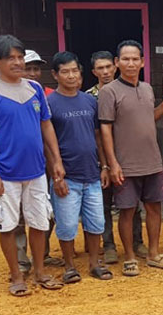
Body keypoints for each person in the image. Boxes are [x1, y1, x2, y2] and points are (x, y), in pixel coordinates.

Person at [0, 34, 65, 296]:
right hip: (5, 173)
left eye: (19, 57)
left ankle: (39, 271)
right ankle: (16, 275)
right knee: (9, 225)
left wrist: (56, 161)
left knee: (39, 222)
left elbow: (46, 126)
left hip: (36, 170)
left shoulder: (35, 89)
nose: (17, 62)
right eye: (10, 58)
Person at [100, 40, 163, 276]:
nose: (130, 63)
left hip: (152, 161)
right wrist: (112, 163)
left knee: (154, 208)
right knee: (127, 211)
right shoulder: (108, 92)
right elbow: (105, 130)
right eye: (125, 59)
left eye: (135, 59)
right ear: (116, 63)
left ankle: (153, 254)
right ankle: (130, 257)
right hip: (126, 165)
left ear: (143, 62)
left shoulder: (146, 89)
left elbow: (147, 118)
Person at [47, 51, 113, 283]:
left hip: (92, 174)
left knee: (96, 222)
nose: (71, 76)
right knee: (66, 225)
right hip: (67, 176)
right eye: (65, 71)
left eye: (75, 70)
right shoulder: (50, 103)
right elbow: (47, 141)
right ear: (55, 75)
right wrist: (56, 175)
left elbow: (98, 137)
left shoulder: (89, 101)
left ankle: (95, 263)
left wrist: (104, 166)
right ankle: (69, 266)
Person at [85, 50, 146, 264]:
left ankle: (138, 242)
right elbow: (97, 133)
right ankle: (108, 245)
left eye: (108, 67)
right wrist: (105, 164)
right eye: (99, 69)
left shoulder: (133, 90)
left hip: (128, 158)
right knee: (104, 203)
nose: (105, 72)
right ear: (94, 72)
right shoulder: (88, 97)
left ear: (115, 66)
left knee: (132, 203)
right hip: (99, 159)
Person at [14, 48, 64, 270]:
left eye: (36, 69)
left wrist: (56, 160)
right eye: (28, 69)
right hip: (18, 163)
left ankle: (41, 253)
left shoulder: (50, 95)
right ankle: (21, 259)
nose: (33, 73)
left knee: (47, 209)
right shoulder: (7, 94)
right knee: (17, 214)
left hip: (46, 162)